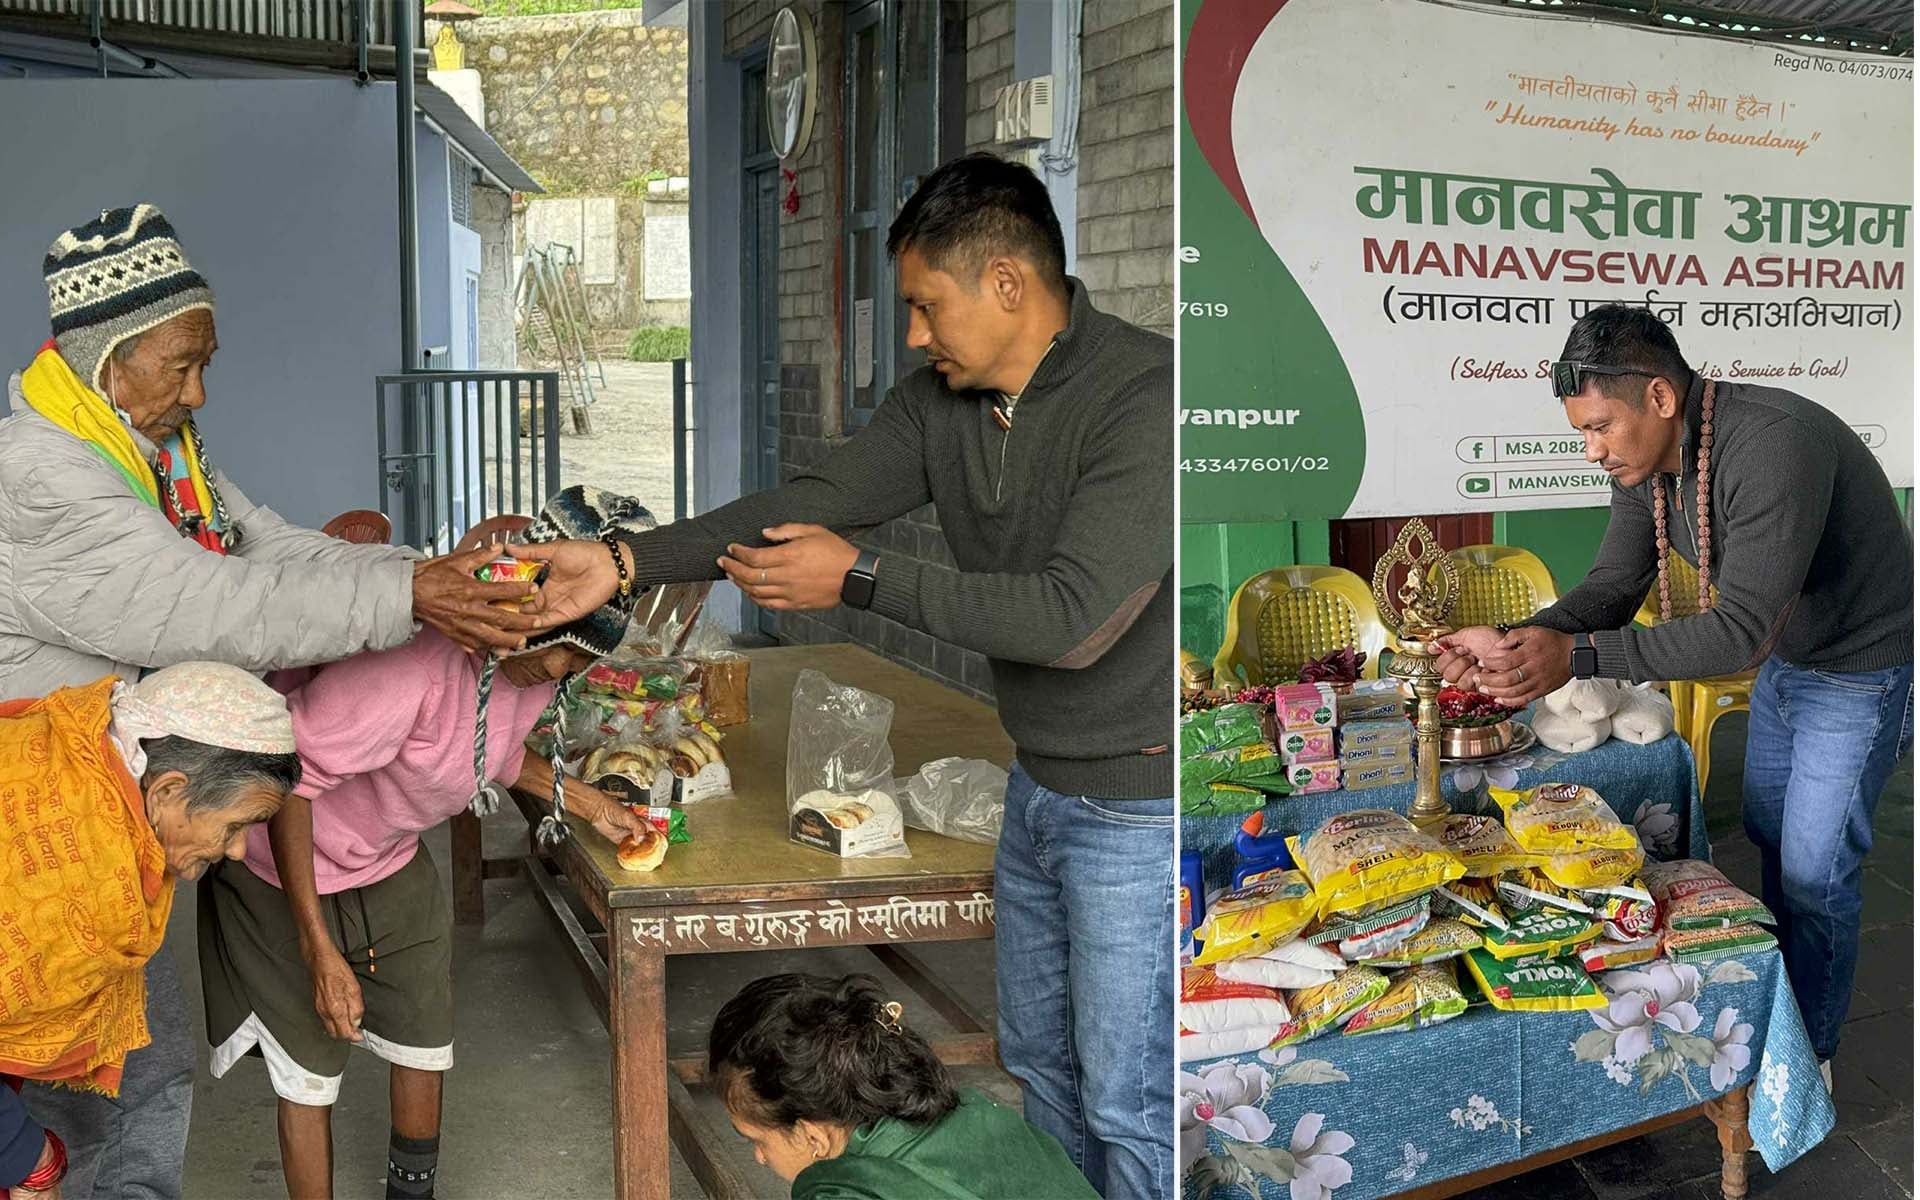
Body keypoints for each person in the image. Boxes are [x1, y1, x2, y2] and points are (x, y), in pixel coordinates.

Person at [516, 154, 1175, 1198]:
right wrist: (626, 558)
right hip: (1043, 783)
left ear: (1008, 284)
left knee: (1132, 1100)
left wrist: (860, 576)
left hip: (1144, 804)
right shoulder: (940, 406)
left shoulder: (1144, 395)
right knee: (1047, 1068)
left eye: (926, 304)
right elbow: (804, 502)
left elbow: (1072, 620)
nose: (914, 333)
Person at [0, 204, 550, 1199]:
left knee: (139, 1073)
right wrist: (410, 595)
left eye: (206, 361)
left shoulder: (160, 456)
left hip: (112, 824)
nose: (200, 389)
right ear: (105, 363)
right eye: (180, 366)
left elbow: (273, 547)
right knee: (80, 1091)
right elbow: (210, 608)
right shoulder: (45, 479)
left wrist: (420, 572)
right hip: (42, 846)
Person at [1438, 304, 1913, 1076]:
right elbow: (1615, 582)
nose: (1591, 450)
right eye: (1581, 433)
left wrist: (1576, 657)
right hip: (1792, 666)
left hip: (1859, 670)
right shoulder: (1651, 462)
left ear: (1660, 397)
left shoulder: (1772, 444)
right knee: (1766, 841)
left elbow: (1742, 630)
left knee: (1816, 875)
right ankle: (1781, 998)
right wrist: (1527, 637)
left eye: (1599, 427)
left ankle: (1810, 1059)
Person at [196, 489, 654, 1200]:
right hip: (277, 867)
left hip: (386, 856)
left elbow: (479, 749)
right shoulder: (405, 670)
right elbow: (290, 783)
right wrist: (318, 950)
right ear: (519, 611)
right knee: (309, 1067)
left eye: (579, 658)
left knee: (422, 1039)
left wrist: (588, 801)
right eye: (560, 648)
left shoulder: (536, 666)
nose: (563, 670)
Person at [0, 663, 304, 1200]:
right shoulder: (68, 877)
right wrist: (29, 1158)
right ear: (166, 789)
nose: (236, 850)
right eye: (235, 825)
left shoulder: (75, 767)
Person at [708, 973, 1098, 1200]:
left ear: (814, 1136)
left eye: (756, 1139)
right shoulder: (977, 1112)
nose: (759, 1158)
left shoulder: (846, 1195)